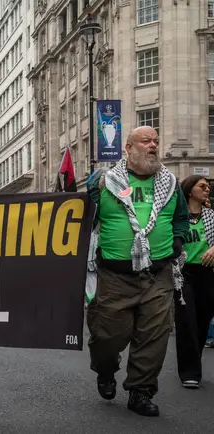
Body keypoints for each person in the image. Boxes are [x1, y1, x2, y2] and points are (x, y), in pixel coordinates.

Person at [86, 126, 189, 417]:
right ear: (128, 148)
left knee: (153, 337)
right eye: (146, 141)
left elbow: (180, 219)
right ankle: (105, 370)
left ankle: (141, 391)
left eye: (156, 141)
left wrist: (177, 242)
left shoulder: (170, 183)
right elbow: (81, 217)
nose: (153, 145)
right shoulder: (103, 181)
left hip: (158, 274)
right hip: (114, 276)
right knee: (107, 337)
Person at [174, 175, 214, 388]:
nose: (207, 189)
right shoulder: (177, 216)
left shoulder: (211, 215)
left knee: (202, 321)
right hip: (184, 274)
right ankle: (190, 371)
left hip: (208, 274)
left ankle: (193, 359)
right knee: (187, 321)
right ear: (190, 191)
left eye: (208, 186)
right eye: (202, 186)